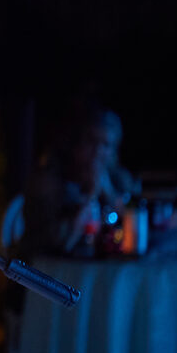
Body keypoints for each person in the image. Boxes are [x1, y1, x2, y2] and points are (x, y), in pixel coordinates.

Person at [19, 102, 138, 257]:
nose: (98, 152)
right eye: (91, 142)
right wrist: (89, 196)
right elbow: (57, 245)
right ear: (75, 144)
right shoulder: (48, 182)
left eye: (106, 145)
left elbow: (134, 235)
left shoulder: (119, 179)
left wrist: (108, 194)